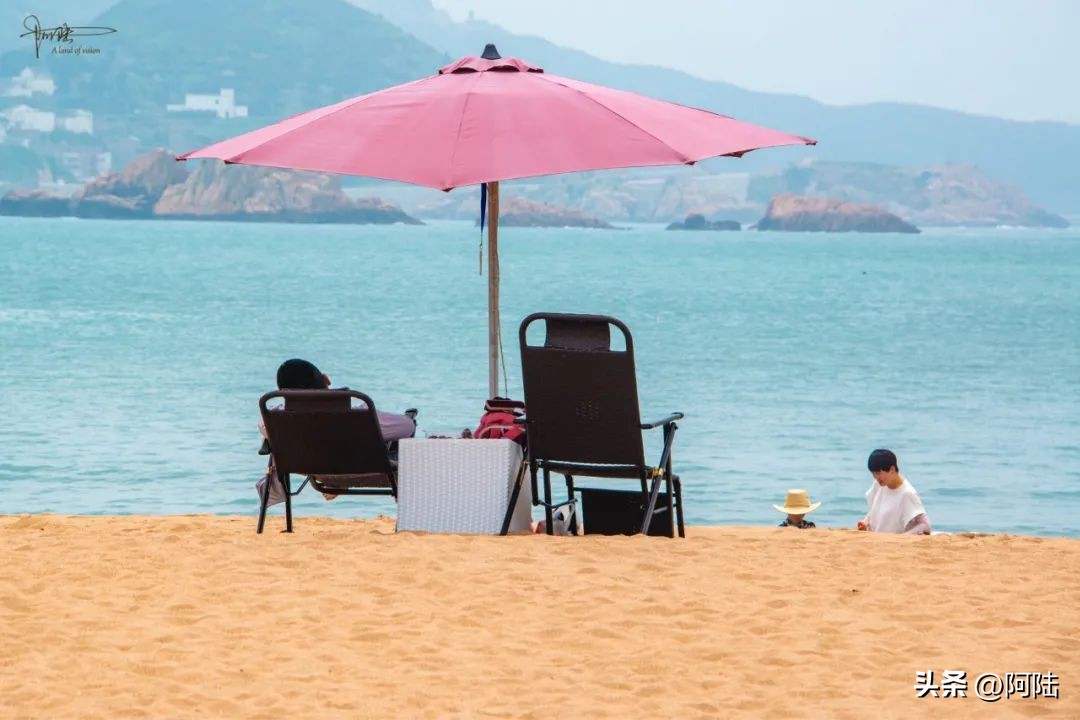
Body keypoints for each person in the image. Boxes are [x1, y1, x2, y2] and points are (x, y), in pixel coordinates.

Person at [257, 359, 416, 504]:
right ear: (326, 380)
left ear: (283, 392)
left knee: (276, 442)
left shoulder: (274, 420)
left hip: (316, 472)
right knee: (397, 443)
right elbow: (407, 428)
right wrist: (409, 419)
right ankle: (408, 507)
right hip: (364, 471)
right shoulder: (359, 416)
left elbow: (265, 427)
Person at [856, 449, 931, 534]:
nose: (875, 477)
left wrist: (902, 538)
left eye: (878, 473)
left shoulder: (907, 493)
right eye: (873, 473)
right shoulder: (880, 484)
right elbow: (874, 510)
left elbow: (925, 525)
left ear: (892, 469)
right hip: (875, 540)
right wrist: (865, 522)